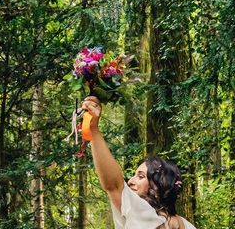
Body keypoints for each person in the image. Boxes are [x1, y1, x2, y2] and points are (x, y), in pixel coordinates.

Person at [81, 96, 197, 229]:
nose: (130, 181)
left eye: (141, 176)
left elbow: (113, 185)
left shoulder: (143, 214)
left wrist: (93, 129)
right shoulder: (187, 225)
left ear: (158, 185)